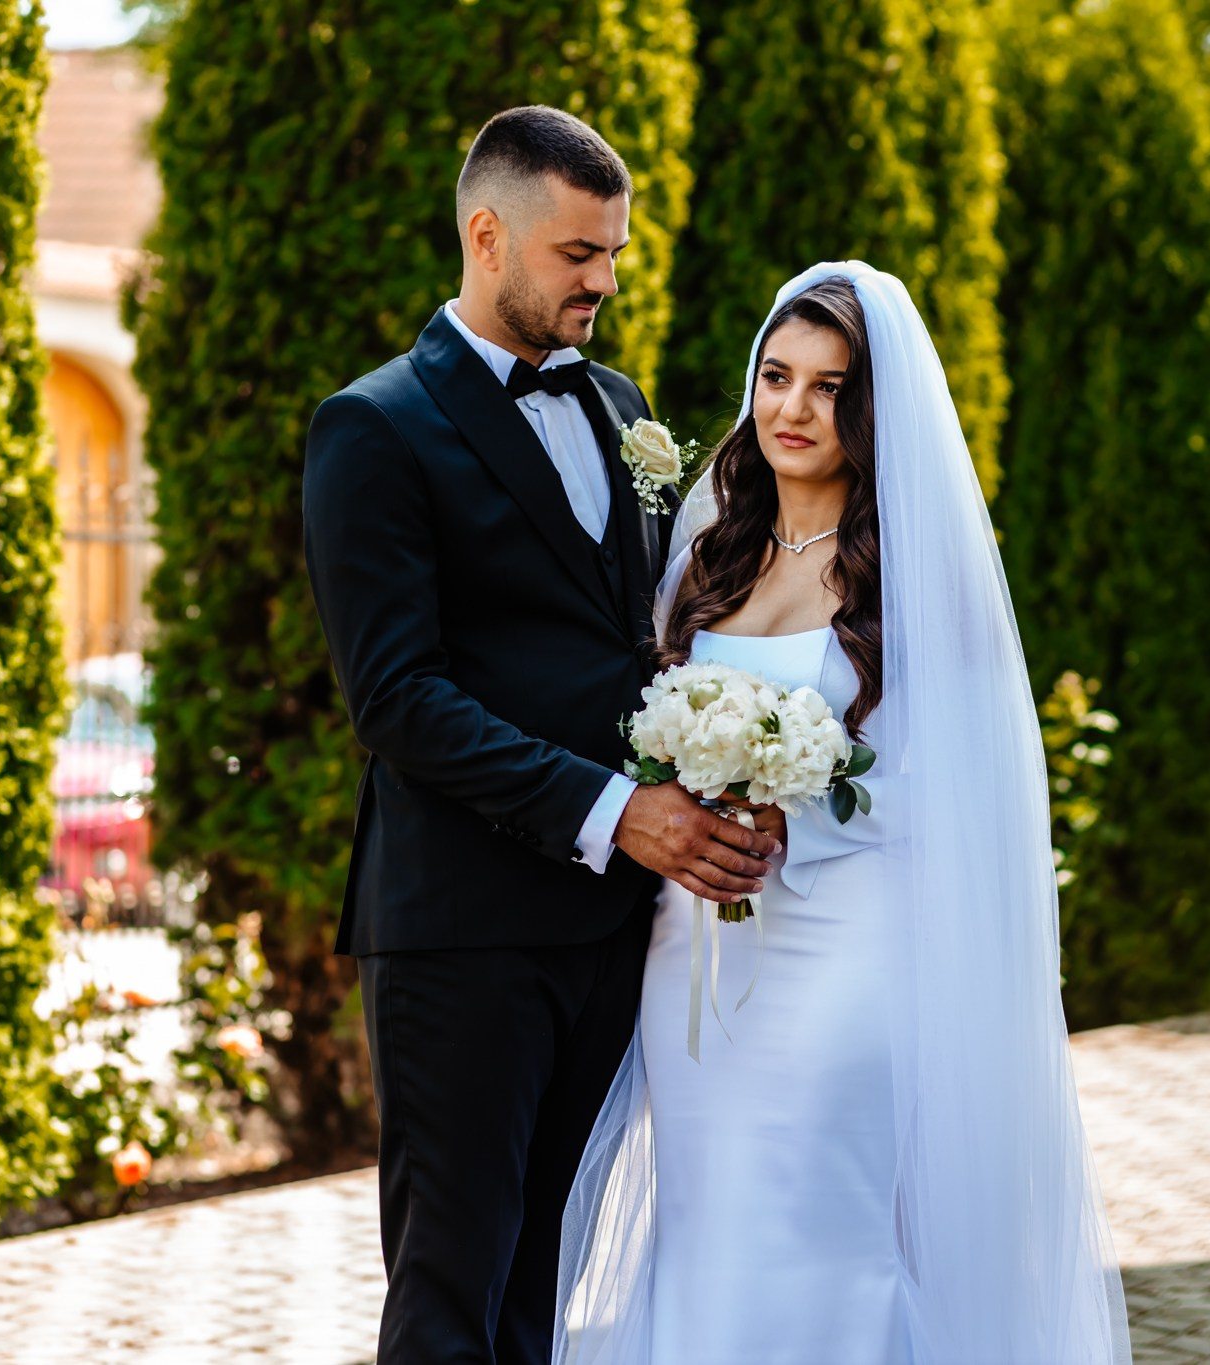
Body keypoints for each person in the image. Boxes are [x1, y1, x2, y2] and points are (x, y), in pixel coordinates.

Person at [554, 263, 1132, 1365]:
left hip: (846, 951)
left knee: (818, 1219)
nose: (793, 409)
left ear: (869, 411)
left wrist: (799, 820)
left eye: (829, 388)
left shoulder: (913, 576)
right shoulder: (706, 556)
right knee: (709, 1223)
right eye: (777, 378)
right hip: (695, 956)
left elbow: (960, 787)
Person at [301, 106, 781, 1365]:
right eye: (577, 254)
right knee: (451, 1299)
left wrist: (730, 751)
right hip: (460, 932)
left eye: (613, 253)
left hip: (611, 926)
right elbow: (396, 699)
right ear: (486, 236)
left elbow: (639, 639)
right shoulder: (375, 426)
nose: (603, 281)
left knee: (544, 1291)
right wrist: (616, 811)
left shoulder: (620, 404)